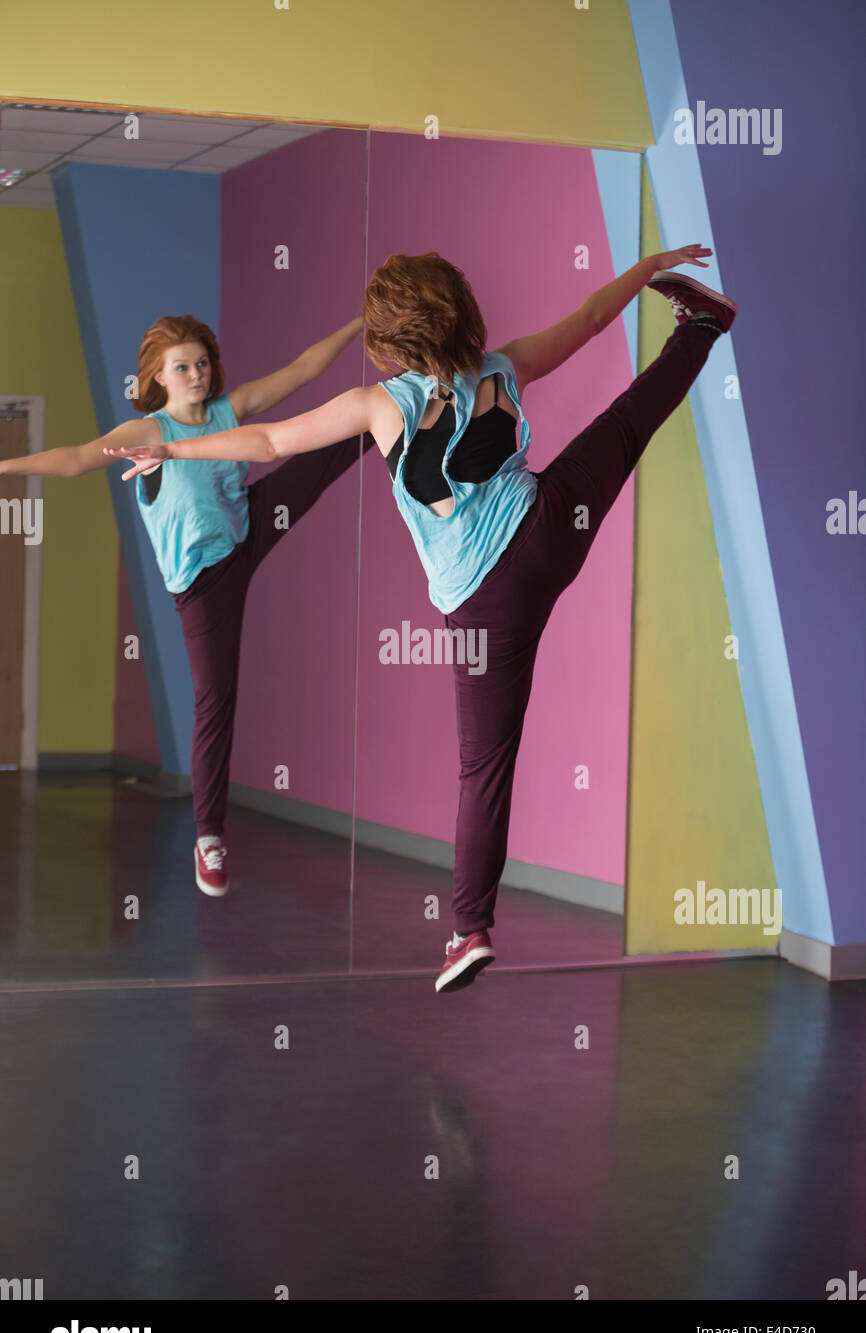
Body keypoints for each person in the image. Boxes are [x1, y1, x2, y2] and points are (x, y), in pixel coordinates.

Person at [112, 247, 737, 990]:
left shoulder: (380, 405)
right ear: (459, 314)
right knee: (625, 426)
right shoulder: (506, 364)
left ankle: (471, 929)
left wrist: (171, 448)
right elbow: (594, 318)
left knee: (484, 765)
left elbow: (269, 440)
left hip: (484, 603)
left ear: (387, 341)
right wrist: (651, 266)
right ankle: (701, 328)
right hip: (549, 529)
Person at [1, 312, 375, 897]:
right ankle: (208, 839)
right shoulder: (148, 433)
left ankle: (408, 407)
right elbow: (75, 459)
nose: (197, 375)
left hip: (249, 527)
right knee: (215, 702)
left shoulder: (231, 408)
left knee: (334, 443)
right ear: (159, 377)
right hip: (204, 583)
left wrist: (358, 324)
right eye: (183, 368)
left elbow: (304, 368)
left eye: (202, 363)